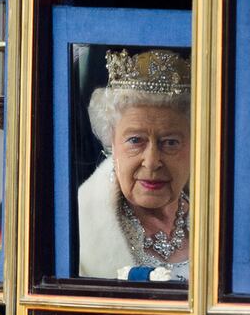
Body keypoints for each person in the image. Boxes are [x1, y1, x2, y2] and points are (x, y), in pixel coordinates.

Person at [78, 48, 191, 282]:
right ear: (111, 141)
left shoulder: (220, 220)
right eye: (136, 140)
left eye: (170, 142)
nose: (151, 162)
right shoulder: (78, 229)